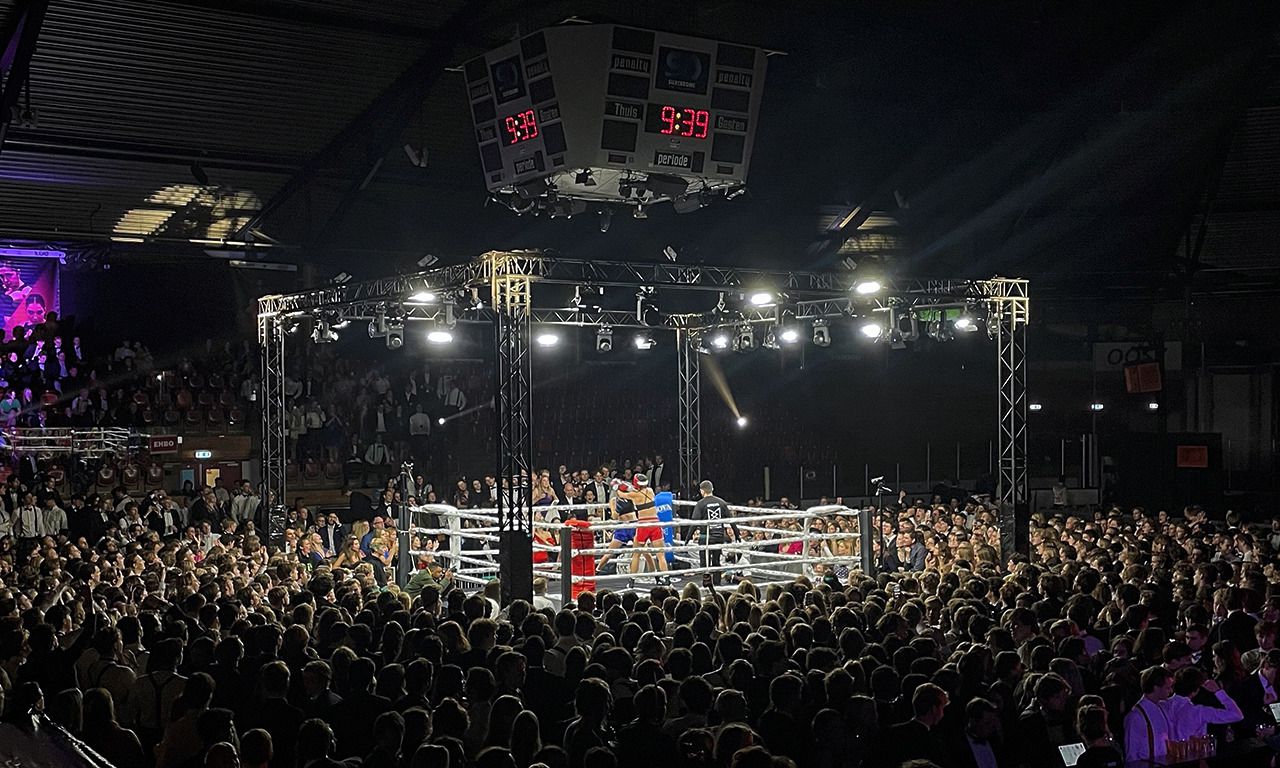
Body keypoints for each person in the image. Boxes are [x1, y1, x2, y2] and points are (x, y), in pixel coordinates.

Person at [684, 480, 736, 585]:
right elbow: (731, 520)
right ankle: (717, 584)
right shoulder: (721, 502)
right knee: (716, 561)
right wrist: (737, 534)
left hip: (705, 536)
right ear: (712, 489)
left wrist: (687, 538)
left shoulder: (701, 503)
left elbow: (694, 522)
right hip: (718, 536)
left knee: (704, 562)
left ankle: (706, 583)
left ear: (702, 491)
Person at [1123, 666, 1175, 767]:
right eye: (1167, 688)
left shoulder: (1162, 708)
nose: (1171, 691)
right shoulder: (1136, 717)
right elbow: (1132, 755)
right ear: (1156, 687)